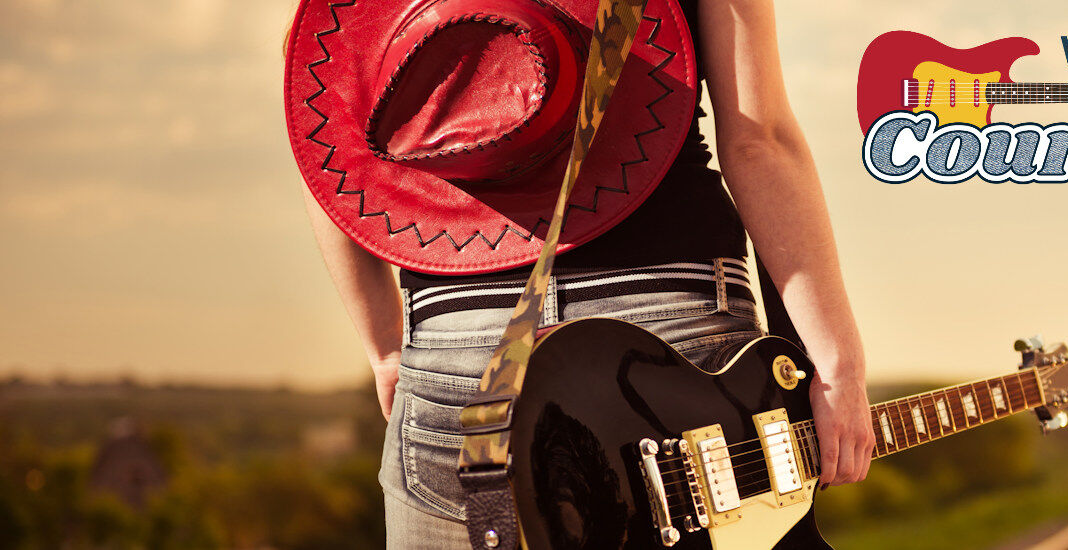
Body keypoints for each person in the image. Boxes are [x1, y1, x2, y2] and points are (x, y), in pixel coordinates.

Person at [286, 0, 871, 545]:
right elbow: (757, 140)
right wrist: (838, 364)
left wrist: (387, 344)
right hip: (668, 324)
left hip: (458, 343)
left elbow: (322, 141)